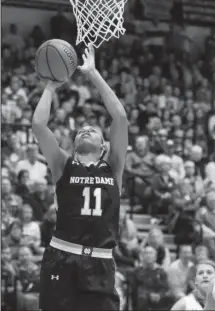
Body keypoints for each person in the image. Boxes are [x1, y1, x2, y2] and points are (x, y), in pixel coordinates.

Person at [32, 44, 128, 310]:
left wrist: (94, 74)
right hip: (61, 256)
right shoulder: (63, 164)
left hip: (100, 262)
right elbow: (39, 125)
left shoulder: (114, 165)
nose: (86, 130)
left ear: (104, 145)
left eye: (93, 130)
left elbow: (119, 117)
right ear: (73, 143)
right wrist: (50, 87)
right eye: (81, 130)